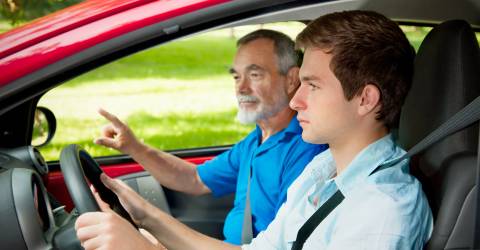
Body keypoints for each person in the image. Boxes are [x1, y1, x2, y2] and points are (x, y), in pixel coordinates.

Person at [75, 10, 433, 250]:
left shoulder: (381, 213)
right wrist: (146, 216)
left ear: (365, 99)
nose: (296, 101)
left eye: (313, 85)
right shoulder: (323, 174)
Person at [93, 29, 326, 244]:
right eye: (236, 77)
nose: (241, 88)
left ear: (292, 79)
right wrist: (134, 147)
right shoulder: (256, 140)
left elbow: (284, 245)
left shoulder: (306, 149)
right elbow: (195, 179)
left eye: (254, 74)